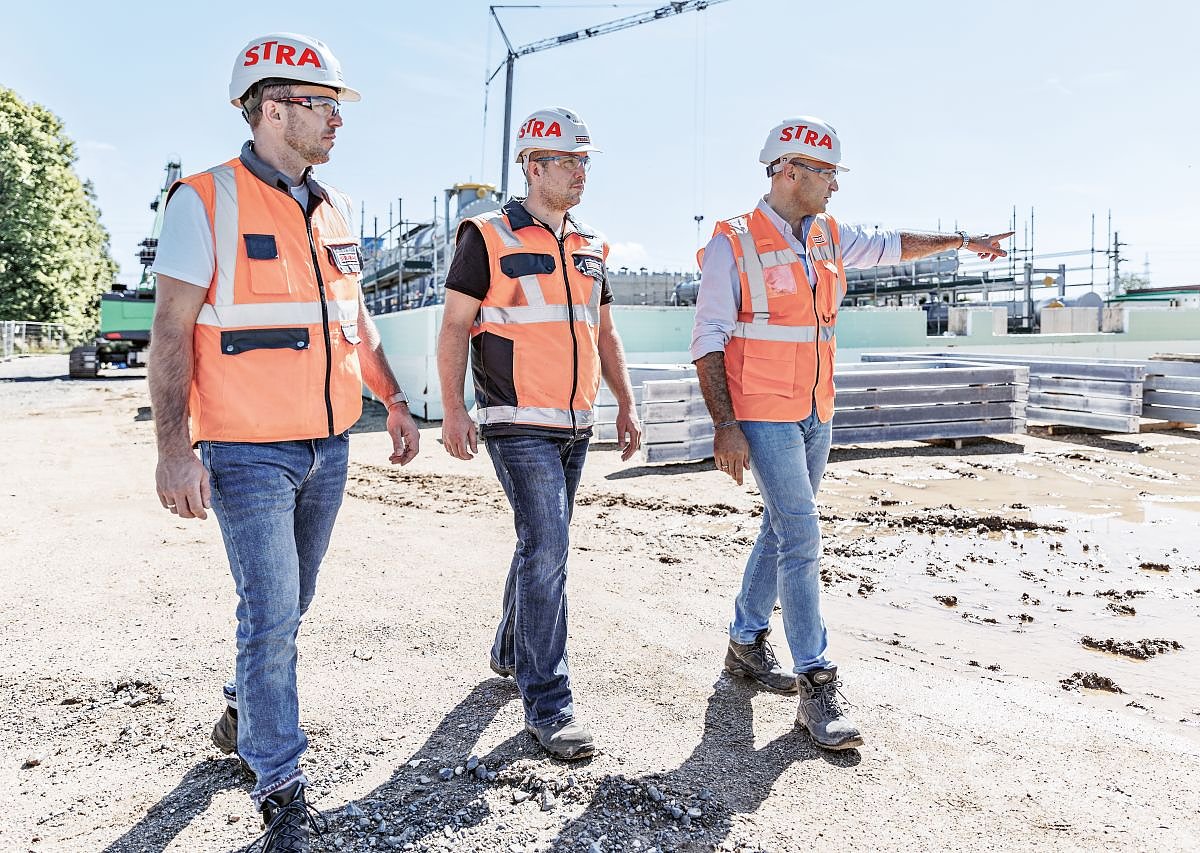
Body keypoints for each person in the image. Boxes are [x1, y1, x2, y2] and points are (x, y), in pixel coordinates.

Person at [149, 33, 419, 851]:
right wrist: (173, 449)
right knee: (271, 613)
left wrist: (394, 400)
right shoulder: (203, 200)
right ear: (273, 109)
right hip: (245, 449)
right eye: (322, 105)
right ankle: (280, 784)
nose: (338, 120)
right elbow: (170, 332)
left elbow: (354, 321)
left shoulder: (333, 208)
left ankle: (243, 707)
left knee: (292, 600)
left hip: (329, 445)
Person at [691, 116, 1010, 751]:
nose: (835, 186)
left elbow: (894, 244)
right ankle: (817, 680)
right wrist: (725, 425)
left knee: (782, 527)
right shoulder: (733, 240)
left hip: (816, 408)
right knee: (801, 536)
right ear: (789, 171)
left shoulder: (828, 234)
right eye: (827, 174)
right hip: (763, 411)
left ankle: (746, 641)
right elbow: (708, 339)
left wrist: (962, 240)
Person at [436, 106, 641, 760]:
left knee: (539, 544)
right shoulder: (486, 236)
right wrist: (453, 410)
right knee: (548, 544)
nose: (581, 172)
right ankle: (549, 702)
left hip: (575, 424)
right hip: (515, 420)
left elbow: (604, 332)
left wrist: (626, 403)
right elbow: (454, 327)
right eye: (569, 161)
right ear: (532, 165)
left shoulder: (590, 246)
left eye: (584, 161)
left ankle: (509, 646)